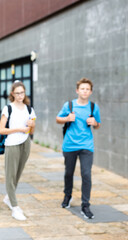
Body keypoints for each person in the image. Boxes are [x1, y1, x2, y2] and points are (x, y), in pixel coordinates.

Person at [56, 78, 101, 219]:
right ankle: (67, 196)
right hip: (69, 145)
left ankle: (85, 205)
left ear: (91, 92)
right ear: (77, 90)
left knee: (86, 174)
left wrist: (95, 123)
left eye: (87, 89)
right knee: (69, 173)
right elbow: (58, 119)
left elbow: (98, 124)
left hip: (86, 146)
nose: (85, 91)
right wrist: (67, 118)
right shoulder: (69, 105)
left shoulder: (94, 107)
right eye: (82, 89)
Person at [0, 81, 36, 221]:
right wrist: (19, 129)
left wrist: (32, 125)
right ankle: (15, 207)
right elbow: (1, 129)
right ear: (12, 94)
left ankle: (9, 197)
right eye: (17, 93)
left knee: (18, 173)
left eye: (22, 92)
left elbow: (32, 130)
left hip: (26, 143)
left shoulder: (29, 109)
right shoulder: (8, 108)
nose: (20, 95)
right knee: (10, 175)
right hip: (12, 143)